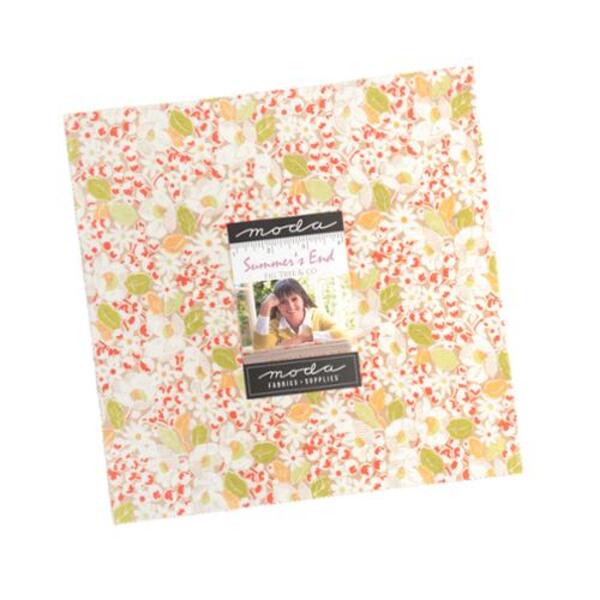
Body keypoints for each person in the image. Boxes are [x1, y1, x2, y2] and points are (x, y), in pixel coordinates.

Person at [252, 278, 346, 350]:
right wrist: (266, 306)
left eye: (294, 299)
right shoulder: (274, 325)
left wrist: (302, 338)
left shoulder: (317, 316)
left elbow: (342, 334)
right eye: (283, 302)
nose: (290, 306)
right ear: (278, 306)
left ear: (303, 299)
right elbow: (260, 349)